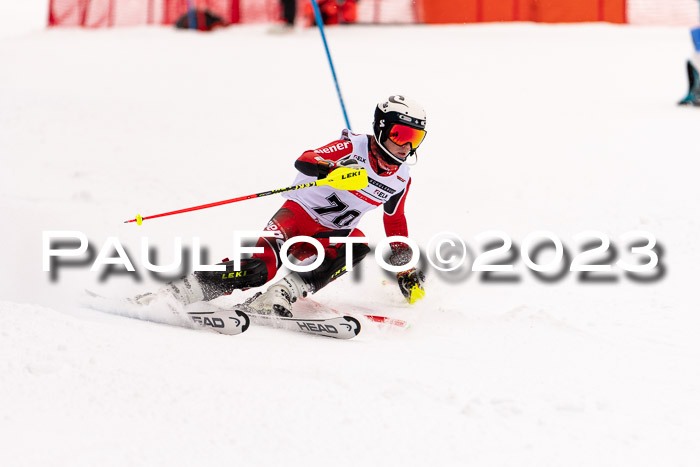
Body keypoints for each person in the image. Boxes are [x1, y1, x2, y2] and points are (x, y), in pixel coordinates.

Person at [136, 95, 427, 316]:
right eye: (400, 134)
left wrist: (405, 269)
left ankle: (279, 294)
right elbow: (306, 159)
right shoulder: (353, 147)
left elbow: (396, 222)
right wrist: (332, 170)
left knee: (357, 245)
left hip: (329, 237)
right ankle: (179, 292)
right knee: (257, 269)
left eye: (415, 138)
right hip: (297, 219)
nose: (406, 146)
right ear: (381, 128)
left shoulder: (401, 178)